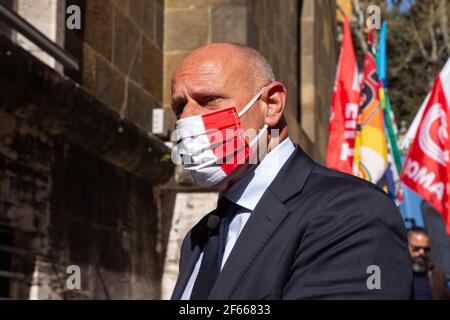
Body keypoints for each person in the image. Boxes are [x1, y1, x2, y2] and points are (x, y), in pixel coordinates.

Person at [170, 43, 412, 300]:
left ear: (272, 104)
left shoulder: (353, 212)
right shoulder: (198, 238)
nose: (187, 118)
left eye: (210, 100)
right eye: (180, 107)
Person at [408, 227, 450, 300]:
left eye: (426, 249)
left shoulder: (436, 271)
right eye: (417, 248)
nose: (422, 252)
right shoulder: (398, 272)